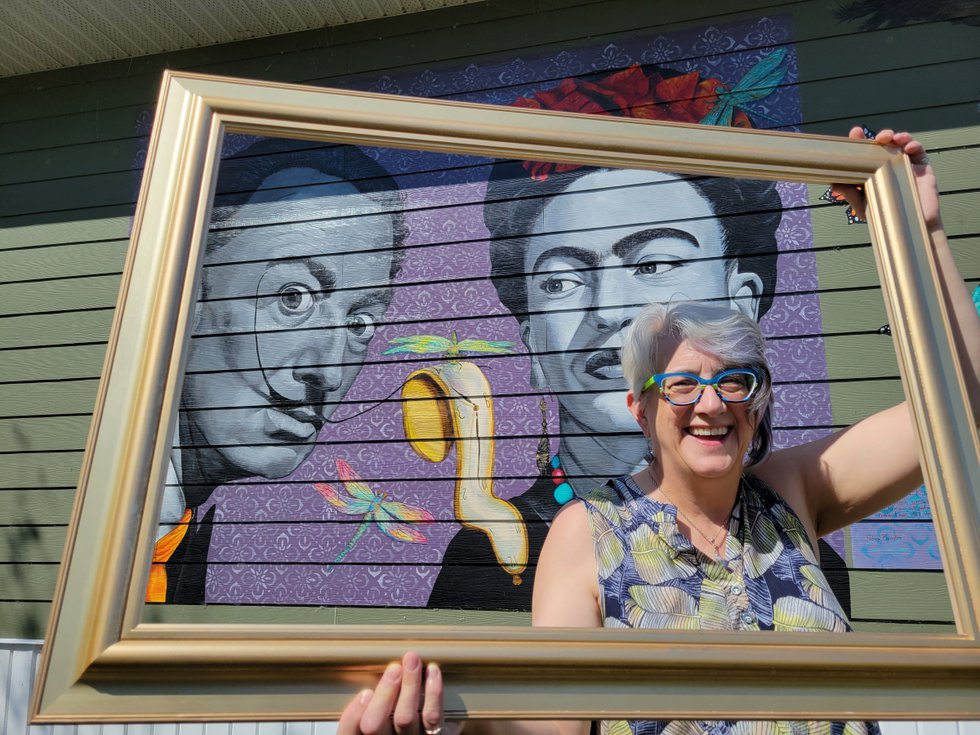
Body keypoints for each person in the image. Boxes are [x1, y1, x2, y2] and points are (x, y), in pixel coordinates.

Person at [340, 129, 980, 735]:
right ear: (640, 407)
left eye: (735, 381)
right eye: (679, 386)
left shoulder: (791, 494)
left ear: (757, 399)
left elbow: (960, 407)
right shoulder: (587, 534)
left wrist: (921, 233)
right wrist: (459, 721)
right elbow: (553, 723)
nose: (711, 404)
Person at [429, 63, 853, 610]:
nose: (608, 310)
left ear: (741, 300)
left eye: (654, 264)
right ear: (531, 340)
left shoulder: (794, 542)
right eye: (561, 279)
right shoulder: (491, 560)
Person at [149, 137, 407, 603]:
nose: (327, 372)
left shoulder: (178, 529)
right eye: (294, 297)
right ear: (191, 291)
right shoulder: (115, 531)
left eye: (360, 323)